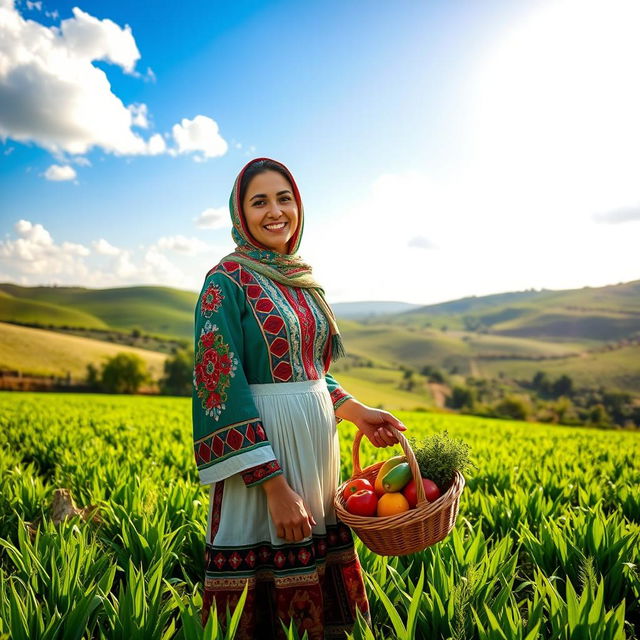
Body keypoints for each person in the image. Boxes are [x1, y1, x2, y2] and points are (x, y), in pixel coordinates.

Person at [192, 157, 407, 639]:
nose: (275, 211)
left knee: (318, 568)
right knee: (264, 566)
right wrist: (273, 486)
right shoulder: (224, 282)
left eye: (284, 198)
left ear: (299, 206)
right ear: (240, 214)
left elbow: (310, 373)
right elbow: (220, 388)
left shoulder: (302, 279)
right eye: (259, 201)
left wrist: (357, 412)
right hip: (265, 458)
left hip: (317, 452)